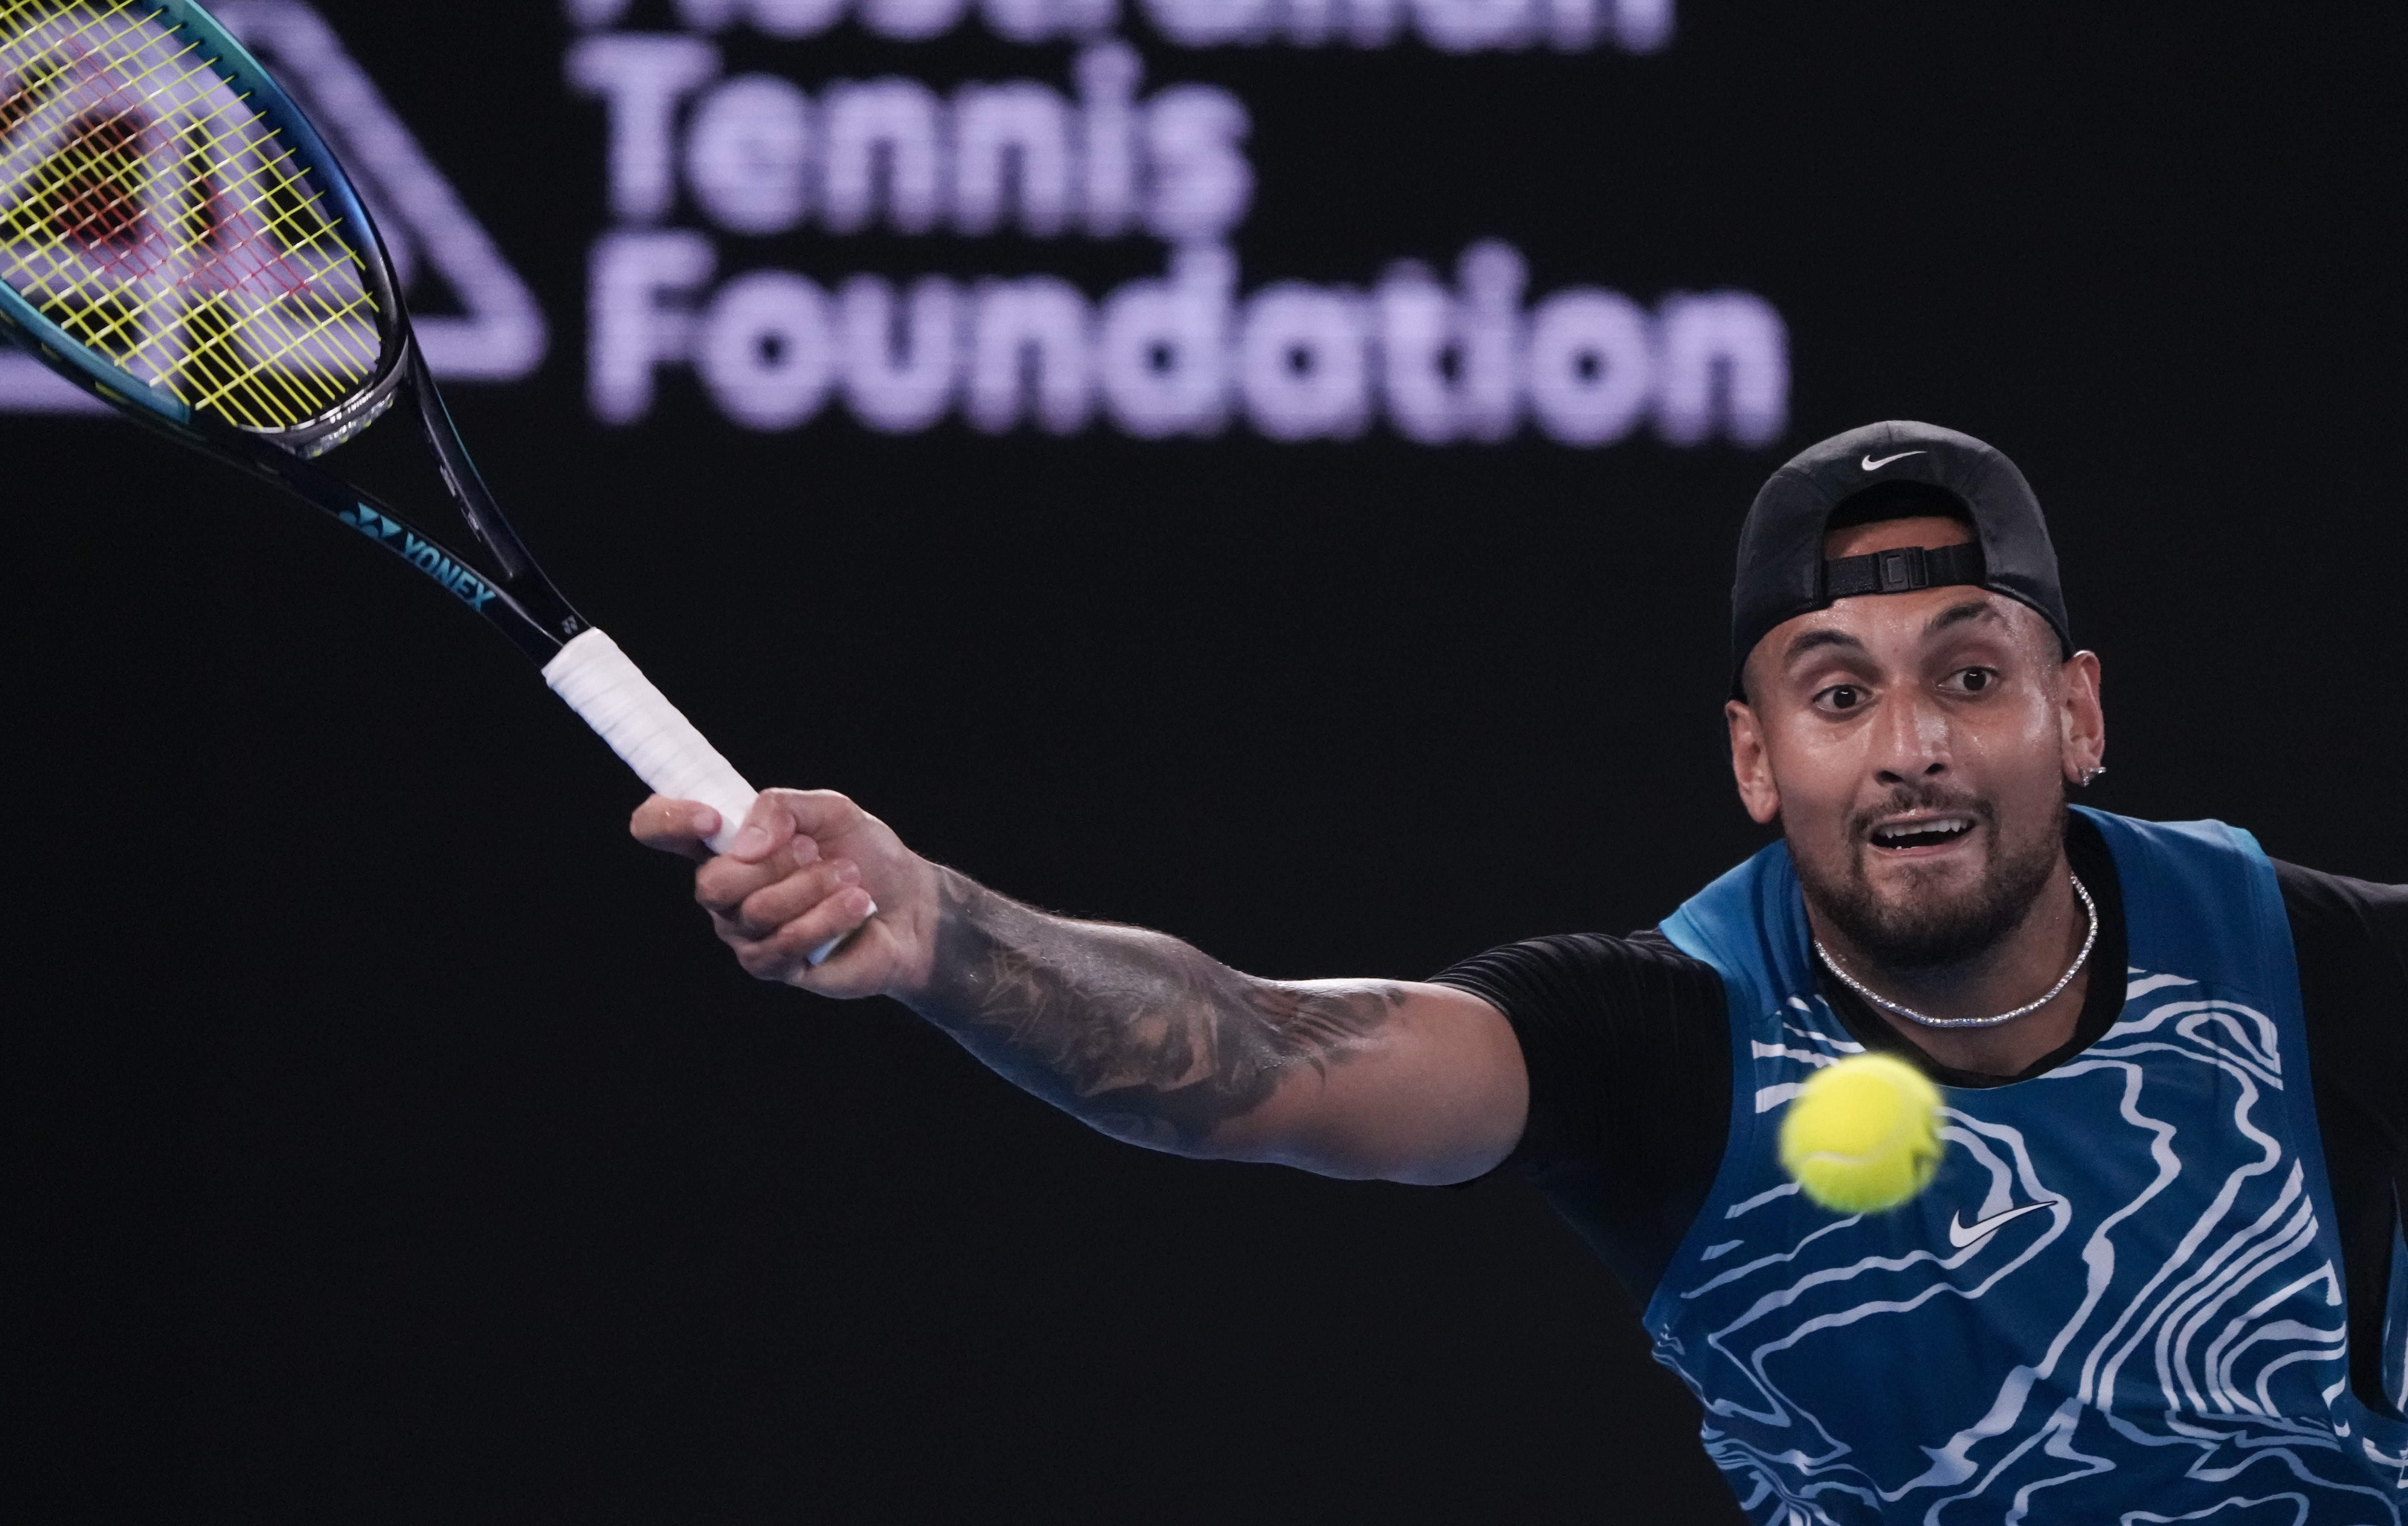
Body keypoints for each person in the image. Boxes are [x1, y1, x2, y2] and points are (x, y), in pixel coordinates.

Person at [630, 421, 2408, 1523]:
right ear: (1751, 759)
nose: (1909, 751)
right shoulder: (1659, 1039)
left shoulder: (2313, 970)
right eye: (1838, 695)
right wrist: (944, 926)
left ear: (2074, 715)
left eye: (1967, 676)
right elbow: (1260, 1058)